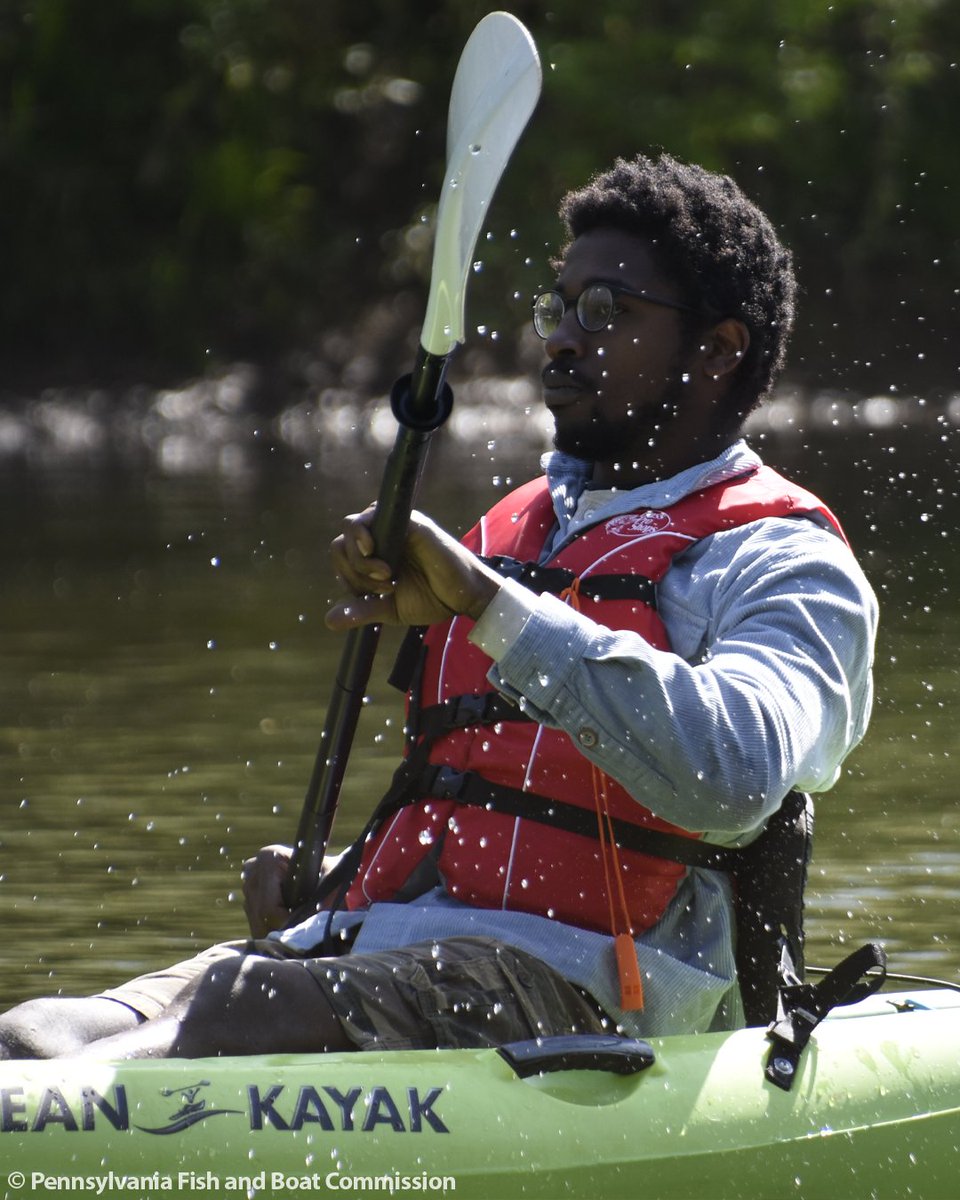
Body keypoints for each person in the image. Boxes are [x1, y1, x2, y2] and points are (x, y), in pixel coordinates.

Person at [0, 152, 877, 1061]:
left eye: (607, 310)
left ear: (718, 348)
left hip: (603, 995)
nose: (564, 337)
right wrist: (347, 877)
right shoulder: (520, 530)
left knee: (240, 1009)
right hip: (403, 954)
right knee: (33, 1035)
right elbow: (491, 807)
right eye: (558, 307)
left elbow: (736, 774)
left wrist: (492, 604)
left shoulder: (781, 561)